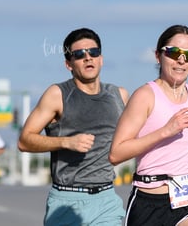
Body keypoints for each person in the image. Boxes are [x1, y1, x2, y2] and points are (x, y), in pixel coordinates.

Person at [17, 28, 128, 226]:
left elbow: (140, 134)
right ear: (69, 64)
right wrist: (66, 142)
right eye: (79, 55)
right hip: (67, 200)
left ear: (101, 58)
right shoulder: (57, 94)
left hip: (106, 200)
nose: (88, 58)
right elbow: (25, 140)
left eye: (93, 52)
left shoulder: (118, 95)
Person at [109, 24, 188, 226]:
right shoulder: (145, 96)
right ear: (158, 56)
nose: (181, 60)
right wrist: (165, 131)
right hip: (150, 201)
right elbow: (116, 154)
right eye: (174, 52)